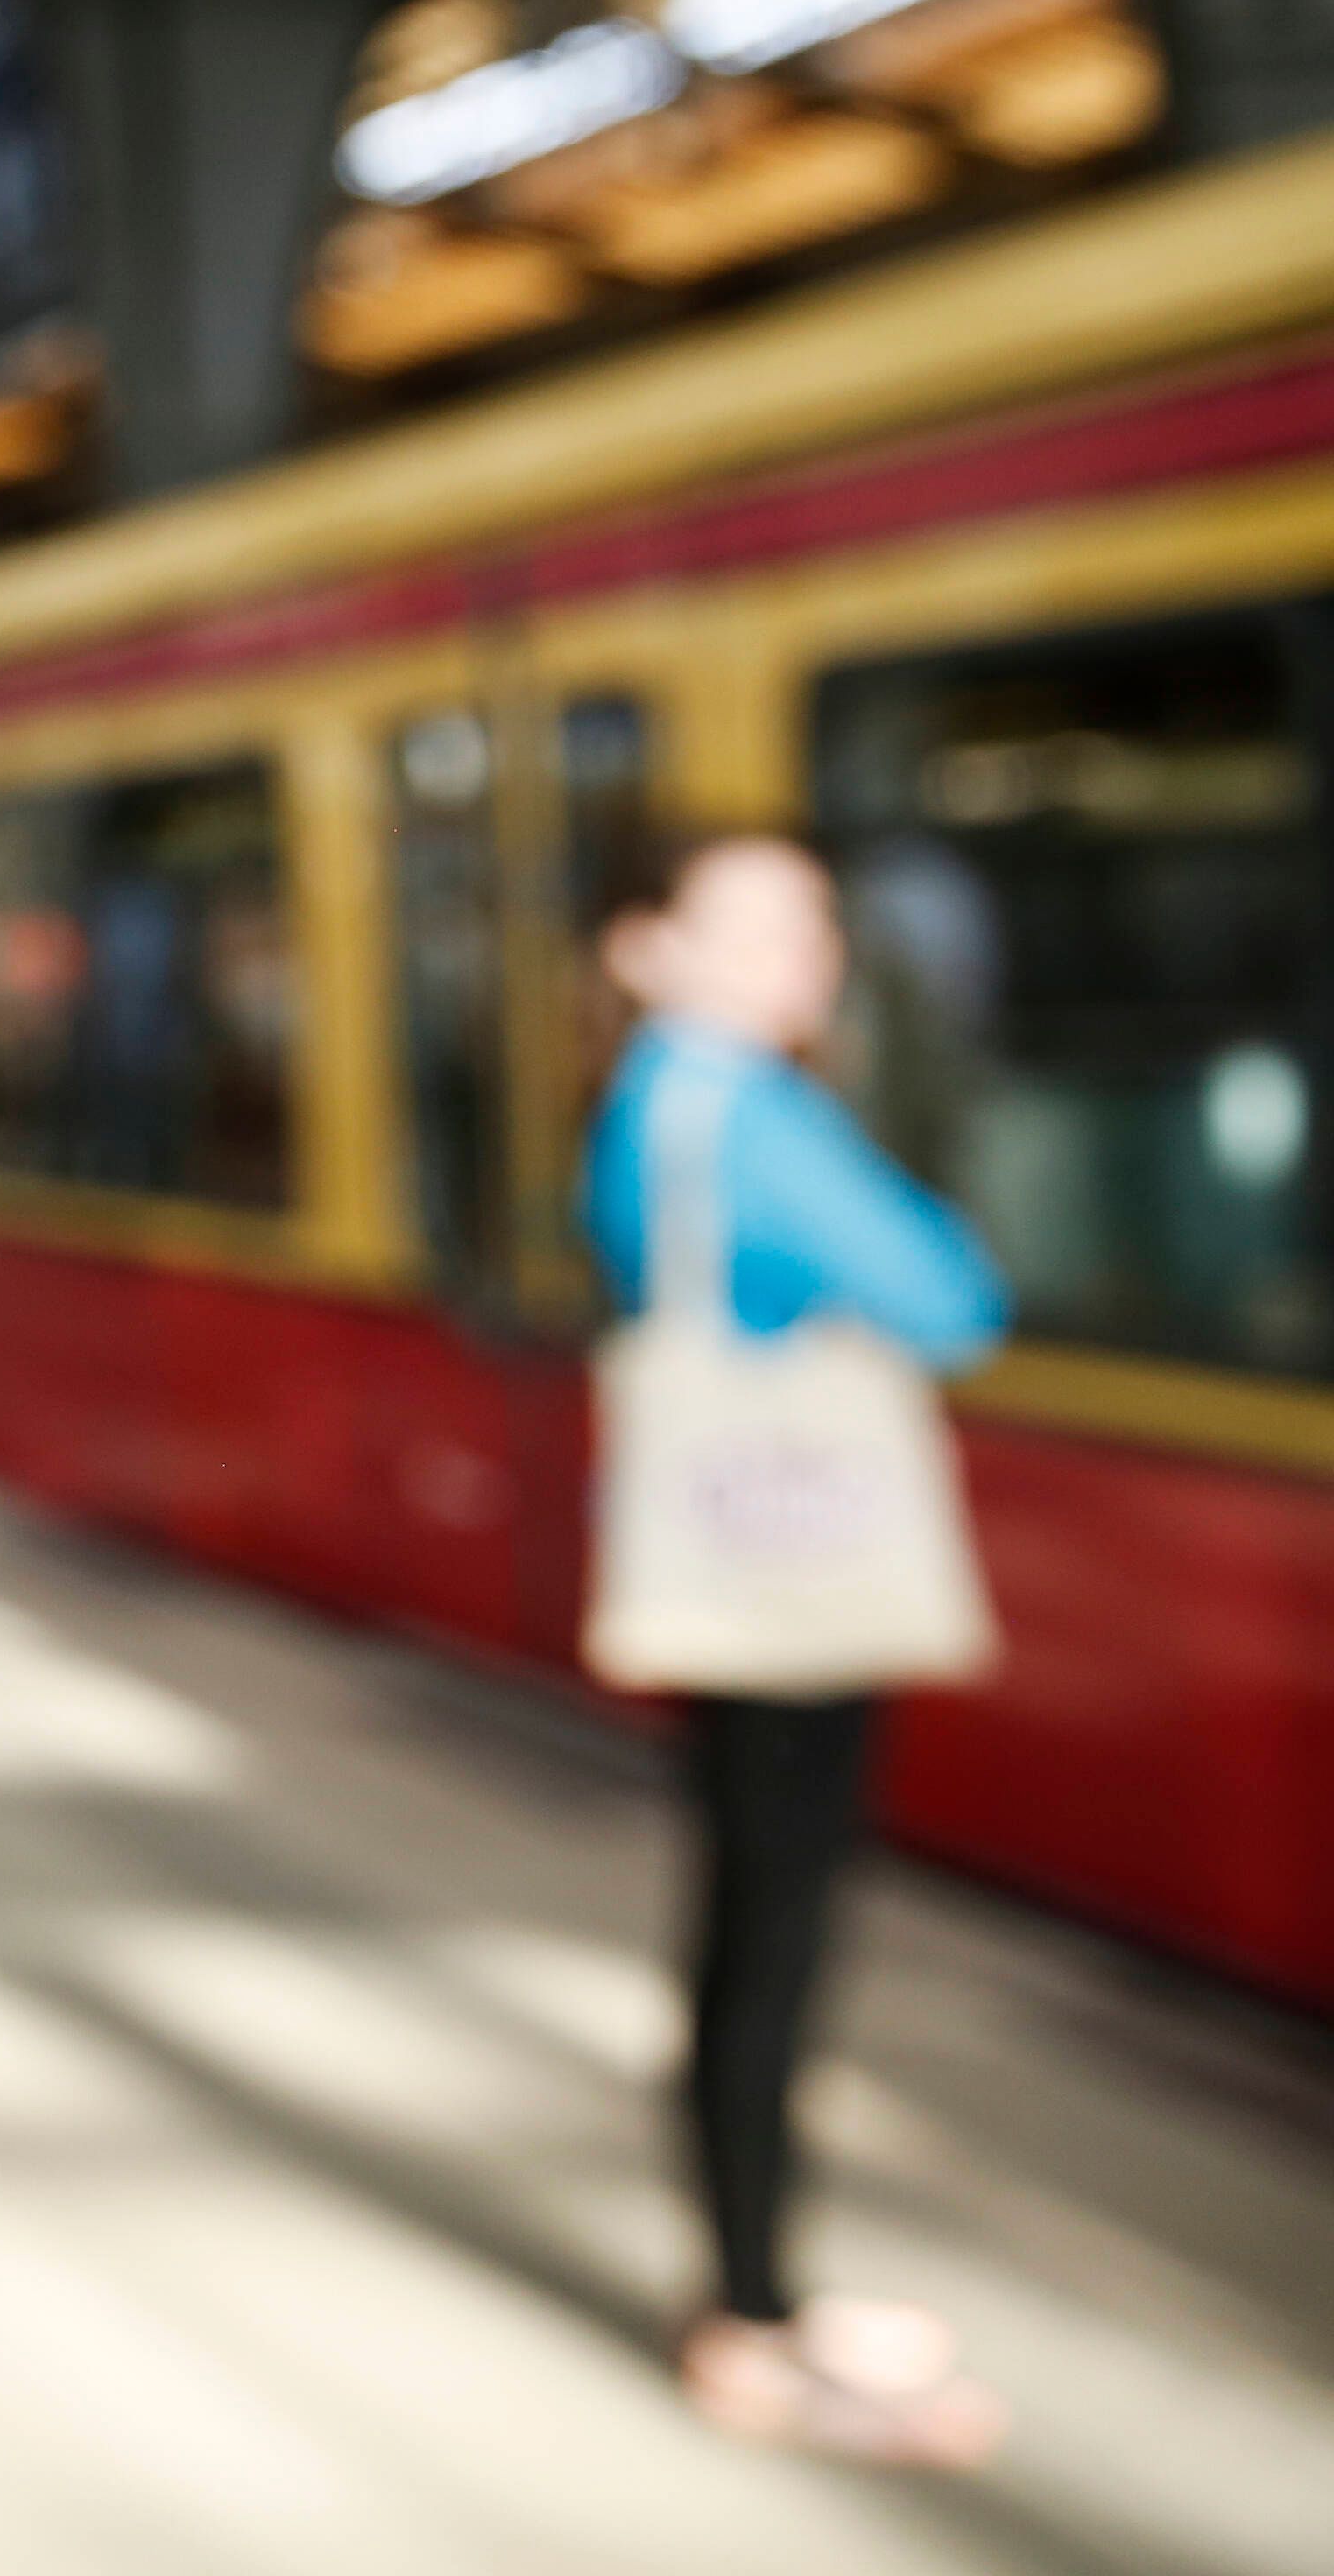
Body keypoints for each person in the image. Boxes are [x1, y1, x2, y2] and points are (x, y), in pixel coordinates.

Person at [585, 829, 1009, 2467]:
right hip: (787, 1606)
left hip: (732, 1584)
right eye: (752, 928)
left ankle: (754, 2292)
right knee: (775, 1934)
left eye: (812, 927)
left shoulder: (651, 1104)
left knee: (745, 1926)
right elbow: (951, 1295)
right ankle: (754, 2318)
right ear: (649, 947)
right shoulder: (738, 1109)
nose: (799, 961)